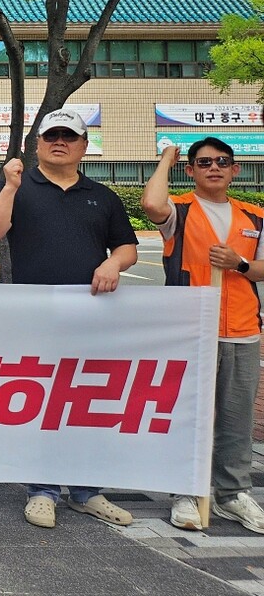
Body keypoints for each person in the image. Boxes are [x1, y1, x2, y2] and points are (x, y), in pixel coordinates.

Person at [0, 107, 138, 529]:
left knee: (85, 400)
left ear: (84, 146)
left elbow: (127, 247)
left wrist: (113, 265)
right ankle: (42, 490)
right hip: (34, 316)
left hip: (91, 316)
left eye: (69, 136)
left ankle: (87, 491)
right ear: (38, 145)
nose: (59, 142)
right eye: (51, 136)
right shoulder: (19, 186)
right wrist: (10, 187)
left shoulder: (102, 196)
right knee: (42, 401)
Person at [142, 138, 264, 533]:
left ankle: (232, 494)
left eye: (222, 161)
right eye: (203, 162)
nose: (214, 167)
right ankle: (184, 492)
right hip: (192, 330)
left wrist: (240, 263)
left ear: (235, 170)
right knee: (190, 414)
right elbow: (151, 205)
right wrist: (166, 159)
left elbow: (262, 268)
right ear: (190, 170)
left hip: (242, 330)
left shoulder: (255, 216)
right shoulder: (180, 210)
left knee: (235, 417)